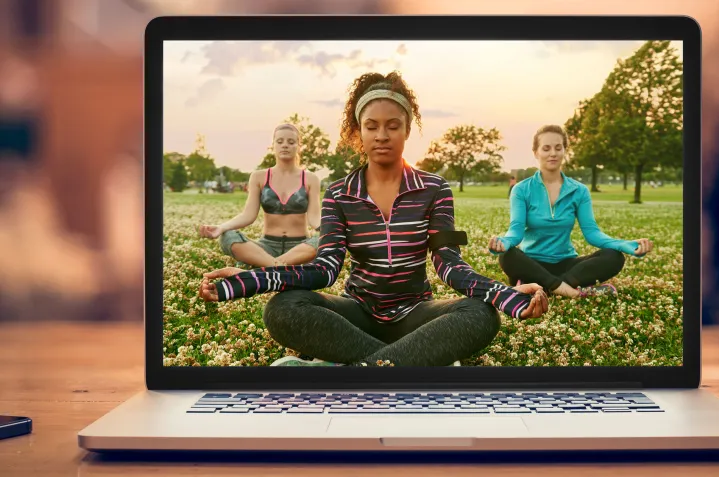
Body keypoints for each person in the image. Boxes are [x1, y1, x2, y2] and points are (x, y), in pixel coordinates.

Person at [199, 71, 549, 367]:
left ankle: (348, 369)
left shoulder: (436, 188)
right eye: (372, 126)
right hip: (356, 314)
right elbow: (325, 269)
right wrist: (251, 279)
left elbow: (450, 266)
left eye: (393, 126)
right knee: (284, 307)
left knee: (480, 314)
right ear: (359, 132)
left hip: (415, 315)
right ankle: (406, 365)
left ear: (407, 130)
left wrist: (507, 296)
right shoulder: (339, 194)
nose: (382, 135)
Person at [488, 125, 653, 298]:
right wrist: (504, 243)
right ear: (536, 152)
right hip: (531, 263)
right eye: (546, 148)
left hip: (566, 264)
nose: (553, 153)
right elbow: (516, 231)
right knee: (507, 256)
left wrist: (626, 245)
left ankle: (542, 287)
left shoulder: (579, 190)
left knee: (614, 257)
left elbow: (592, 233)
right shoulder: (521, 189)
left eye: (558, 148)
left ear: (564, 151)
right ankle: (571, 292)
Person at [197, 123, 321, 268]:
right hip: (266, 247)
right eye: (279, 141)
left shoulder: (311, 179)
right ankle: (282, 267)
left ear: (299, 146)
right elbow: (248, 215)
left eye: (291, 142)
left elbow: (314, 218)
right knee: (227, 236)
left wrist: (331, 230)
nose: (285, 145)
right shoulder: (259, 177)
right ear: (273, 145)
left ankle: (265, 266)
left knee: (325, 239)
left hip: (300, 247)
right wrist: (221, 227)